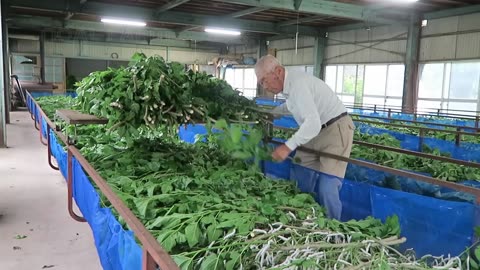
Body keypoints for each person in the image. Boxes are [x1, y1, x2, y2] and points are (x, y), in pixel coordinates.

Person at [254, 55, 354, 220]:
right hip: (314, 130)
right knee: (301, 173)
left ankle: (332, 228)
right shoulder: (289, 85)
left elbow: (312, 123)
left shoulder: (298, 83)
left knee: (328, 185)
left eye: (264, 80)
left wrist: (287, 147)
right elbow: (292, 104)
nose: (264, 86)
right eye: (261, 83)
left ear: (278, 72)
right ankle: (304, 217)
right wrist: (273, 114)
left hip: (334, 130)